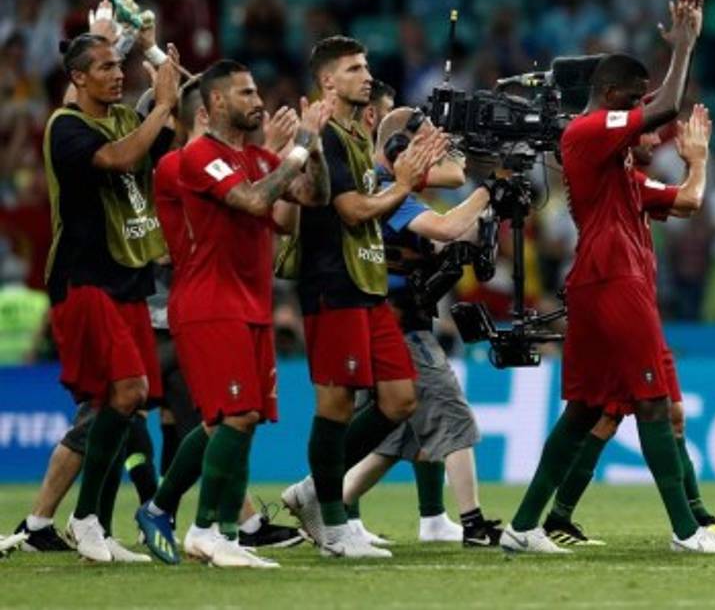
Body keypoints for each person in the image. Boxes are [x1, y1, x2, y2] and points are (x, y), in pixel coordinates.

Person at [500, 0, 715, 555]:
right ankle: (689, 532)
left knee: (584, 408)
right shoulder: (585, 134)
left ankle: (523, 526)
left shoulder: (622, 175)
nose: (647, 126)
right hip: (612, 278)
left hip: (602, 280)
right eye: (631, 104)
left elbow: (685, 194)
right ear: (610, 97)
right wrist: (684, 49)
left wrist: (697, 155)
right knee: (653, 403)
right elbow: (660, 108)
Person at [137, 60, 331, 568]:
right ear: (216, 104)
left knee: (238, 422)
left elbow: (311, 198)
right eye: (246, 93)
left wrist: (316, 146)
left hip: (252, 302)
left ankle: (196, 521)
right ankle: (204, 530)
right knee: (233, 415)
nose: (258, 100)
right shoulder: (198, 156)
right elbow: (250, 202)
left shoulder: (258, 157)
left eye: (256, 91)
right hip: (209, 302)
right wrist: (297, 149)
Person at [542, 108, 715, 546]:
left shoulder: (631, 183)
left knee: (665, 413)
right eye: (646, 135)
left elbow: (681, 200)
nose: (654, 140)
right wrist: (698, 159)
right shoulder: (618, 181)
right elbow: (691, 200)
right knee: (608, 416)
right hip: (618, 301)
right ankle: (560, 517)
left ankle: (695, 517)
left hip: (639, 304)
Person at [279, 37, 447, 558]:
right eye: (354, 68)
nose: (366, 74)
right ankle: (332, 525)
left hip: (368, 283)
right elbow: (352, 211)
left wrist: (406, 177)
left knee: (401, 398)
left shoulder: (355, 131)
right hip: (333, 282)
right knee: (335, 404)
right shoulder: (326, 133)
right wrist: (403, 183)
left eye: (367, 65)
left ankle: (313, 489)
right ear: (328, 81)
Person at [41, 32, 180, 562]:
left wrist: (156, 59)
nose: (116, 74)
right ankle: (84, 521)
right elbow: (121, 160)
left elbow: (163, 135)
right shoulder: (66, 128)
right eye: (103, 67)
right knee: (123, 394)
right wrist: (161, 102)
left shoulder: (124, 118)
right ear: (77, 78)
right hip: (85, 279)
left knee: (124, 402)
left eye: (119, 65)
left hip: (126, 277)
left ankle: (91, 523)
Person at [340, 106, 503, 548]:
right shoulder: (390, 188)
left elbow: (438, 234)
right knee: (452, 416)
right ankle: (472, 522)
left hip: (382, 319)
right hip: (398, 323)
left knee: (393, 436)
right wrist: (489, 192)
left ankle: (324, 500)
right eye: (423, 146)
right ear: (398, 150)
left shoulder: (383, 186)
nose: (435, 156)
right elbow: (447, 226)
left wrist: (481, 221)